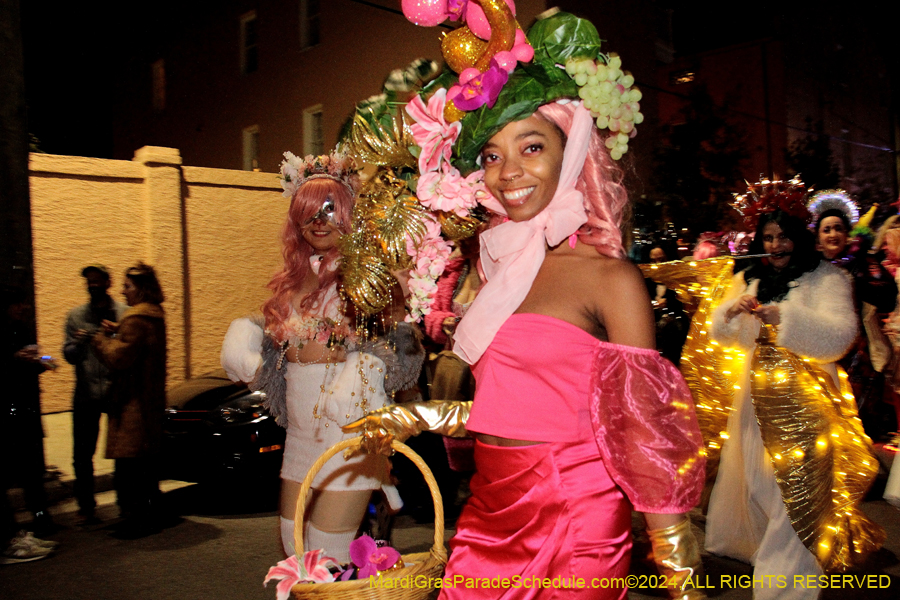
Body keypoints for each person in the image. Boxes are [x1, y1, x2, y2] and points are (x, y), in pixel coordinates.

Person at [345, 10, 706, 599]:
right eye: (489, 155)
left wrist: (677, 566)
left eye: (531, 146)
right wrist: (417, 417)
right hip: (488, 510)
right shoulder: (496, 269)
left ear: (574, 151)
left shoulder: (610, 279)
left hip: (577, 516)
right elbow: (512, 406)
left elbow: (641, 430)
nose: (508, 171)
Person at [221, 151, 420, 563]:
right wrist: (248, 333)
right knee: (295, 553)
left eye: (331, 210)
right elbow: (274, 344)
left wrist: (370, 365)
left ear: (349, 212)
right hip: (299, 435)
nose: (320, 221)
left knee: (326, 554)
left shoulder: (370, 272)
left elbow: (405, 344)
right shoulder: (294, 280)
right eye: (310, 213)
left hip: (348, 431)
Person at [706, 200, 883, 597]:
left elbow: (839, 338)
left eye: (783, 236)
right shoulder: (751, 277)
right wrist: (731, 313)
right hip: (756, 401)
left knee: (796, 492)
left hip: (808, 399)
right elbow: (725, 336)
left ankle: (785, 585)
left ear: (798, 237)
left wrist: (786, 318)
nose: (775, 246)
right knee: (761, 484)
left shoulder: (828, 278)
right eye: (767, 238)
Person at [92, 262, 167, 539]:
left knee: (129, 467)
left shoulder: (136, 319)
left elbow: (119, 358)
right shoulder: (154, 316)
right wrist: (118, 332)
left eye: (127, 286)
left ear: (141, 289)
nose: (123, 292)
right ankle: (148, 513)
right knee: (145, 467)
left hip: (131, 405)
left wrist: (100, 339)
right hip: (148, 401)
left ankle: (135, 518)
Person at [63, 265, 127, 524]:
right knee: (82, 453)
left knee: (120, 452)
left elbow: (127, 350)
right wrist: (77, 343)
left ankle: (125, 504)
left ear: (108, 282)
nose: (93, 285)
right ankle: (86, 507)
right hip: (86, 392)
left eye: (98, 280)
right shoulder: (76, 316)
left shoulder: (124, 313)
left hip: (115, 390)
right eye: (89, 282)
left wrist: (113, 335)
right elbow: (68, 355)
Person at [1, 285, 58, 562]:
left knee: (33, 471)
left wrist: (46, 360)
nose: (22, 308)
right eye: (17, 304)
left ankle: (40, 520)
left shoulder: (20, 331)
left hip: (26, 411)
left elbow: (41, 359)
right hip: (9, 415)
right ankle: (11, 535)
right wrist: (14, 359)